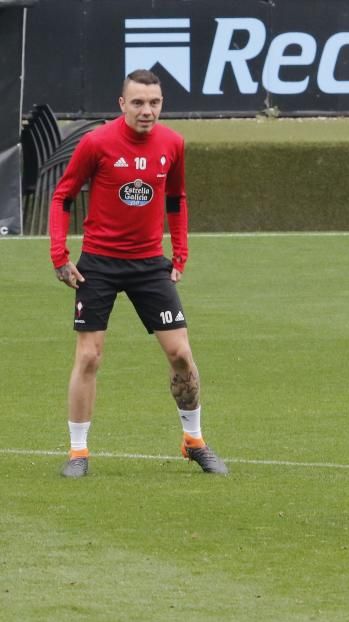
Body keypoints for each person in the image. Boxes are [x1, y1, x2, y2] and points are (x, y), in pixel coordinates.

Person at [49, 69, 227, 477]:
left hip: (150, 265)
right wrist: (60, 255)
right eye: (138, 103)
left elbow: (176, 199)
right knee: (89, 356)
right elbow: (63, 195)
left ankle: (194, 441)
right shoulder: (96, 143)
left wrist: (179, 253)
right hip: (99, 263)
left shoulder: (173, 144)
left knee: (181, 355)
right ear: (122, 104)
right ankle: (78, 453)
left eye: (155, 103)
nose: (147, 111)